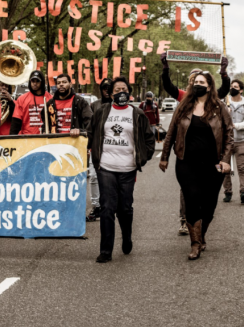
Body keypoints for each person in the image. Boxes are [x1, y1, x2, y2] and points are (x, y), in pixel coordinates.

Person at [159, 72, 233, 260]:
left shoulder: (219, 107)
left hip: (213, 164)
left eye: (202, 82)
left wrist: (225, 160)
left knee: (209, 205)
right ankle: (195, 243)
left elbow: (229, 135)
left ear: (209, 87)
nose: (197, 85)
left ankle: (201, 236)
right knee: (192, 200)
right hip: (186, 163)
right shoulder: (184, 106)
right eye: (195, 82)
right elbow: (171, 132)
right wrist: (164, 156)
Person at [87, 77, 155, 263]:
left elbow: (149, 139)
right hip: (105, 167)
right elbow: (91, 133)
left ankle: (126, 238)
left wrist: (143, 157)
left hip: (127, 169)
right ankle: (106, 251)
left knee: (124, 209)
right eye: (116, 89)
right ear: (111, 93)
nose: (120, 92)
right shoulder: (101, 111)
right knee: (107, 208)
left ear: (129, 91)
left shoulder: (138, 113)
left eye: (124, 88)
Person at [86, 78, 113, 222]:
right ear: (101, 89)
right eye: (104, 88)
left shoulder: (118, 105)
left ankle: (110, 204)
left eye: (110, 88)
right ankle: (96, 206)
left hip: (114, 147)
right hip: (97, 146)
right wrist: (88, 145)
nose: (107, 91)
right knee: (94, 176)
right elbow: (89, 127)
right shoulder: (94, 105)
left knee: (112, 178)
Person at [223, 79, 244, 204]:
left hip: (240, 141)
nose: (232, 88)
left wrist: (234, 125)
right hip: (226, 142)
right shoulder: (224, 103)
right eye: (231, 86)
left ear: (241, 90)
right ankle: (228, 192)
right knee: (225, 168)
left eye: (235, 87)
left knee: (242, 168)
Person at [10, 71, 52, 135]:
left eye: (37, 81)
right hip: (27, 137)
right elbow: (16, 121)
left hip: (45, 136)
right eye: (33, 81)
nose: (35, 83)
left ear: (42, 82)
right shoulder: (22, 98)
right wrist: (12, 139)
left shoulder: (50, 98)